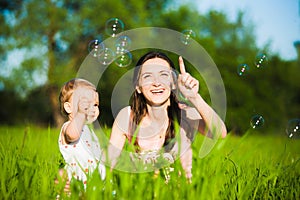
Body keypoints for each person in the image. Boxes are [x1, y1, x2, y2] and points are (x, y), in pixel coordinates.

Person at [106, 51, 227, 182]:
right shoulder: (127, 116)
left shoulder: (185, 114)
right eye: (148, 77)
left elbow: (219, 133)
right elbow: (108, 164)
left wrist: (194, 97)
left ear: (174, 83)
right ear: (138, 87)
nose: (156, 83)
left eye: (163, 75)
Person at [57, 78, 106, 190]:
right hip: (75, 183)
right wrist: (81, 114)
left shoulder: (89, 130)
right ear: (69, 107)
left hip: (93, 183)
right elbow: (72, 135)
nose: (92, 108)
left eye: (95, 104)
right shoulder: (69, 127)